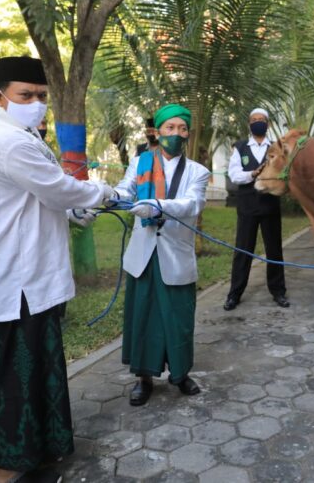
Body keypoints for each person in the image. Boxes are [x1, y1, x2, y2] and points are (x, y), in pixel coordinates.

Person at [0, 56, 115, 483]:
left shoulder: (21, 136)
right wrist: (103, 192)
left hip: (29, 281)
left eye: (41, 96)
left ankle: (44, 453)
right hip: (13, 284)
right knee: (16, 380)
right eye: (25, 95)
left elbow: (34, 199)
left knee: (41, 373)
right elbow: (57, 188)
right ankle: (8, 470)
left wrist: (73, 212)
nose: (36, 103)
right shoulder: (7, 141)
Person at [114, 103, 210, 406]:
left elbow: (192, 204)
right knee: (142, 316)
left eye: (182, 129)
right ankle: (143, 378)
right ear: (157, 131)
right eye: (170, 127)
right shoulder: (140, 163)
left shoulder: (197, 171)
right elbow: (125, 190)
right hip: (143, 255)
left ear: (188, 134)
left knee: (178, 318)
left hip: (176, 255)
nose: (176, 133)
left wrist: (157, 206)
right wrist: (110, 197)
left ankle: (180, 374)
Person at [224, 108, 289, 311]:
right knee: (243, 250)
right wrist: (252, 174)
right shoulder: (240, 147)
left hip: (270, 205)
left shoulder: (276, 147)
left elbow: (284, 171)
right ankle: (234, 294)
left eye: (262, 120)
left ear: (267, 124)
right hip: (247, 206)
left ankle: (278, 291)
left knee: (274, 250)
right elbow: (234, 174)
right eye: (254, 120)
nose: (258, 122)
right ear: (249, 124)